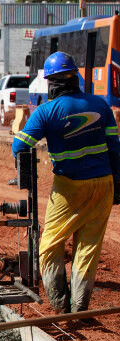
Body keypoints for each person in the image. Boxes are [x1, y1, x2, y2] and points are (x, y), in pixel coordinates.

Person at [12, 52, 120, 313]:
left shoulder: (46, 112)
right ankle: (80, 305)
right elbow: (115, 149)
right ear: (75, 78)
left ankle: (60, 306)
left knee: (50, 245)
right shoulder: (100, 105)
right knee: (89, 246)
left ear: (50, 82)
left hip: (70, 188)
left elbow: (20, 145)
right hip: (104, 183)